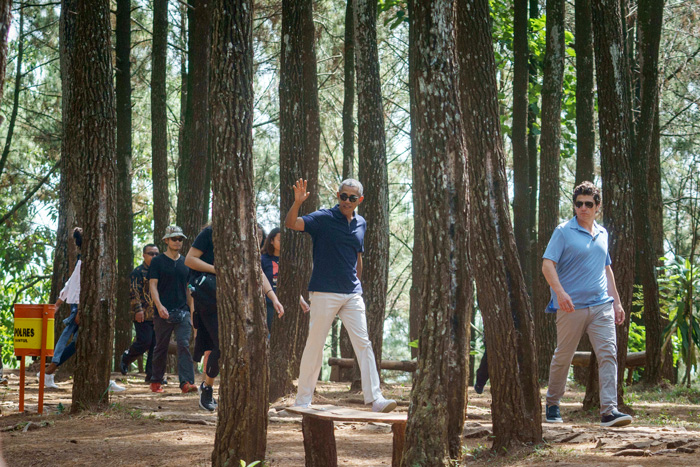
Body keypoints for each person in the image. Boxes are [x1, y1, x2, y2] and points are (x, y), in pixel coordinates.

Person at [285, 178, 397, 413]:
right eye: (343, 196)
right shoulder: (323, 218)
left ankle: (375, 399)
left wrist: (357, 282)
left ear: (360, 200)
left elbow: (357, 256)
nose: (347, 201)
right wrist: (297, 203)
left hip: (352, 293)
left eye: (352, 198)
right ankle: (303, 400)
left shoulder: (361, 223)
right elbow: (292, 223)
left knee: (364, 344)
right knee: (315, 345)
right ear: (338, 196)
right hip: (325, 291)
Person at [542, 181, 632, 427]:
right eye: (579, 203)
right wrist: (560, 293)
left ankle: (609, 411)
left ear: (597, 207)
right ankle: (552, 405)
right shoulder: (563, 231)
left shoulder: (603, 233)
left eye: (588, 204)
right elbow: (547, 264)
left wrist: (617, 303)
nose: (583, 208)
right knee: (564, 355)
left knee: (608, 354)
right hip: (571, 307)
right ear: (575, 205)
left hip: (602, 305)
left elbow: (607, 268)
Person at [185, 223, 284, 411]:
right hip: (208, 297)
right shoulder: (210, 232)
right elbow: (189, 260)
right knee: (222, 343)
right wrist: (219, 270)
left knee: (236, 343)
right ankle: (207, 388)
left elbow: (258, 271)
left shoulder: (247, 239)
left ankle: (222, 389)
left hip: (234, 298)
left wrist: (273, 297)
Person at [41, 227, 124, 392]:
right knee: (87, 340)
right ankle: (50, 371)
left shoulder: (86, 259)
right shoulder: (87, 260)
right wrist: (79, 309)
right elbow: (78, 284)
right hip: (82, 305)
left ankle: (50, 371)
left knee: (82, 342)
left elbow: (71, 281)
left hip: (81, 305)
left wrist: (58, 303)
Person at [148, 226, 197, 394]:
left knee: (183, 344)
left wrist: (192, 314)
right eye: (174, 238)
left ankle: (187, 382)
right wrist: (159, 306)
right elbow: (152, 285)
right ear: (166, 240)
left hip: (183, 311)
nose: (177, 242)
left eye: (180, 239)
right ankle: (156, 381)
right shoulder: (157, 261)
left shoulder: (186, 263)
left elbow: (188, 290)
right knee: (161, 346)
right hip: (162, 312)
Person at [120, 244, 163, 384]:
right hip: (142, 313)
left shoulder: (160, 271)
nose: (154, 256)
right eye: (151, 254)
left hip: (158, 314)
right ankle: (127, 357)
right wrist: (138, 310)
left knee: (156, 345)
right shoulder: (137, 272)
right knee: (145, 341)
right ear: (144, 255)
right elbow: (134, 292)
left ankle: (152, 375)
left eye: (157, 254)